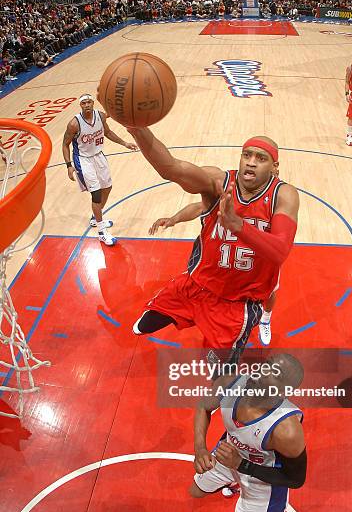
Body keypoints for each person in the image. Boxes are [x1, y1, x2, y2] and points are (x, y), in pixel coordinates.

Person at [127, 126, 299, 360]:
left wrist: (238, 225)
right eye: (246, 155)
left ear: (275, 167)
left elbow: (280, 251)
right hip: (198, 285)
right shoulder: (218, 181)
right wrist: (138, 130)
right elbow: (172, 168)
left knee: (221, 370)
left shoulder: (283, 195)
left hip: (239, 301)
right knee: (145, 323)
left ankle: (263, 322)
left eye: (261, 158)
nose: (251, 162)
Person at [190, 353, 307, 512]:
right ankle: (235, 484)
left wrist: (242, 466)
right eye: (266, 365)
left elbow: (296, 479)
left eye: (274, 373)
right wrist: (200, 448)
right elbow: (204, 407)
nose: (262, 371)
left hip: (263, 477)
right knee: (196, 491)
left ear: (283, 391)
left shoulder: (287, 430)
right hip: (229, 455)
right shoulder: (231, 382)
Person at [149, 202, 277, 346]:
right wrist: (174, 219)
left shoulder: (276, 200)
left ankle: (265, 319)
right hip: (226, 255)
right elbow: (200, 207)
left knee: (270, 289)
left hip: (259, 260)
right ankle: (207, 319)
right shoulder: (232, 193)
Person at [63, 94, 137, 246]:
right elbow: (65, 144)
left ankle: (95, 218)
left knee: (107, 187)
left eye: (89, 102)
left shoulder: (100, 116)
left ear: (93, 103)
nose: (87, 105)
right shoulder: (74, 124)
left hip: (98, 155)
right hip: (83, 160)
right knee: (96, 194)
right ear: (80, 106)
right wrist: (69, 165)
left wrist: (124, 143)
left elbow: (108, 133)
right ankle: (102, 232)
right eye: (84, 103)